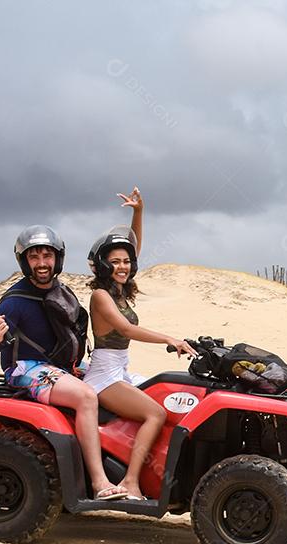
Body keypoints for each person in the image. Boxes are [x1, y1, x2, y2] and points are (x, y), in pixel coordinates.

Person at [0, 226, 128, 500]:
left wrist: (136, 216)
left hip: (63, 368)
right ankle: (99, 481)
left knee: (116, 383)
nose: (42, 263)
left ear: (57, 258)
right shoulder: (14, 301)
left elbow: (121, 261)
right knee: (86, 396)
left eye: (47, 256)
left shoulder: (62, 290)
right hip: (25, 367)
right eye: (34, 257)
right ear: (24, 261)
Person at [84, 187, 194, 500]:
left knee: (171, 399)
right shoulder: (100, 296)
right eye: (115, 262)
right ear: (103, 266)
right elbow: (125, 330)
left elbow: (134, 249)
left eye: (126, 262)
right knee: (155, 413)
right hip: (104, 376)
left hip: (123, 370)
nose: (123, 266)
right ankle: (131, 482)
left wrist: (139, 213)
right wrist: (169, 339)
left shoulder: (120, 290)